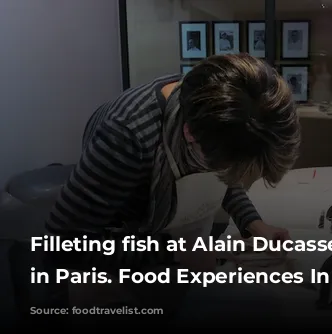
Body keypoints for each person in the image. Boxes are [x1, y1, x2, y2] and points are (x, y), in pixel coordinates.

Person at [44, 54, 301, 322]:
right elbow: (63, 245)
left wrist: (254, 225)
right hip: (116, 258)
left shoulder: (220, 107)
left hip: (177, 254)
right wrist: (171, 253)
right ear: (189, 134)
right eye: (220, 165)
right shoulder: (127, 136)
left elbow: (227, 175)